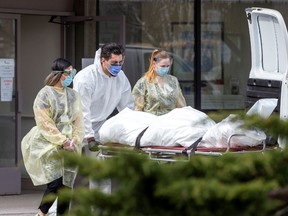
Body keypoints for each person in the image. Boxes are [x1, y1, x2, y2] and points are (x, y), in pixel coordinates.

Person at [21, 58, 85, 216]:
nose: (71, 75)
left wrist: (75, 139)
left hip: (71, 144)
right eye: (69, 72)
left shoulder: (73, 95)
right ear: (59, 74)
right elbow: (44, 121)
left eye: (73, 72)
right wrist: (61, 140)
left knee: (67, 184)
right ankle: (42, 212)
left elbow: (78, 120)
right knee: (56, 182)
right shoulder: (45, 94)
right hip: (49, 143)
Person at [73, 42, 134, 152]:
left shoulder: (121, 77)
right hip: (78, 126)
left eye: (121, 62)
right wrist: (89, 137)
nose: (118, 66)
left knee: (98, 165)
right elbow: (82, 110)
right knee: (74, 164)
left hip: (101, 126)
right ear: (103, 60)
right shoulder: (86, 78)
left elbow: (127, 107)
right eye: (114, 63)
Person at [132, 49, 186, 115]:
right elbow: (137, 109)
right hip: (151, 121)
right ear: (154, 64)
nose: (166, 68)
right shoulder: (143, 82)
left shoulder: (173, 81)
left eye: (168, 66)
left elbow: (180, 105)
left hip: (171, 121)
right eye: (163, 66)